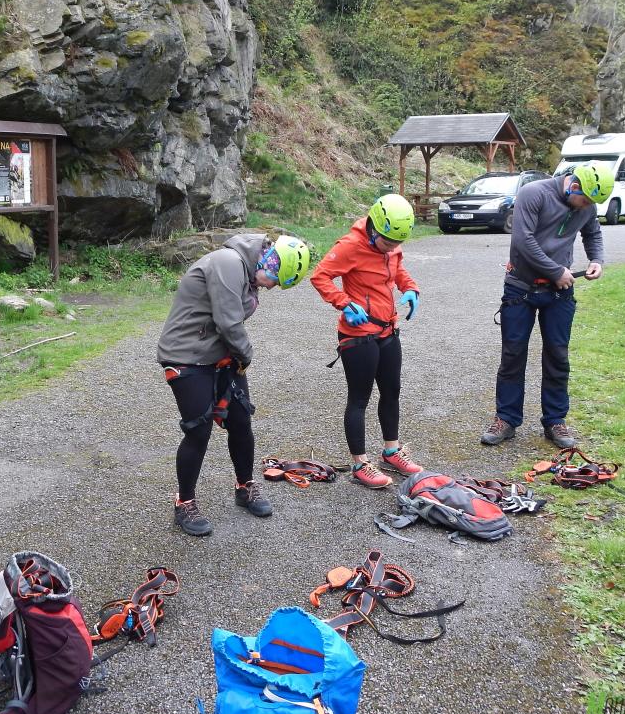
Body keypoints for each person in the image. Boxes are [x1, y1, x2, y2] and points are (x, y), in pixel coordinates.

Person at [157, 233, 311, 537]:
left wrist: (237, 358)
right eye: (275, 280)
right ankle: (184, 503)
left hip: (220, 354)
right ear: (271, 260)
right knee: (198, 430)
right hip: (186, 355)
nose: (271, 287)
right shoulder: (228, 262)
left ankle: (245, 486)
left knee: (240, 420)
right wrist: (247, 356)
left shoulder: (247, 273)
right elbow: (228, 322)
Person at [480, 163, 610, 449]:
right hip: (520, 287)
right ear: (573, 185)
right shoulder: (533, 193)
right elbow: (523, 240)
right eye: (585, 200)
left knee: (558, 355)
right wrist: (556, 271)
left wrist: (597, 259)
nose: (587, 207)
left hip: (559, 293)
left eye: (592, 203)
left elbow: (593, 233)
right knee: (513, 355)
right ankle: (506, 419)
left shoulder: (586, 206)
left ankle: (555, 420)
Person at [311, 193, 425, 489]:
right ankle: (360, 463)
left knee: (392, 391)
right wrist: (344, 302)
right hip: (358, 336)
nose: (391, 248)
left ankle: (391, 450)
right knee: (359, 398)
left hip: (388, 330)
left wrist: (410, 288)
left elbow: (397, 269)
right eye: (387, 241)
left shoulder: (392, 245)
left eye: (396, 243)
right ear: (374, 226)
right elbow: (320, 276)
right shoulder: (350, 246)